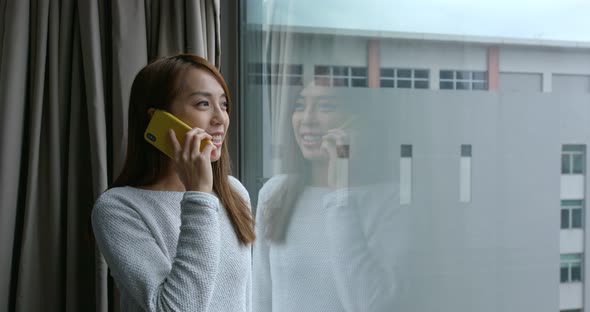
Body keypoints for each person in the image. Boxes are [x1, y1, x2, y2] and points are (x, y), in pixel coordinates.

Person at [92, 54, 255, 312]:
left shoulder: (234, 192)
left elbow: (245, 300)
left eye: (223, 105)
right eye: (203, 103)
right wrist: (199, 195)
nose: (220, 118)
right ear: (157, 119)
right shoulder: (117, 208)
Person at [253, 86, 409, 311]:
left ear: (357, 121)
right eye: (300, 106)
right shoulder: (275, 192)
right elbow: (260, 297)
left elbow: (368, 304)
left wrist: (340, 194)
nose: (307, 119)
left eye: (326, 106)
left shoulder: (389, 201)